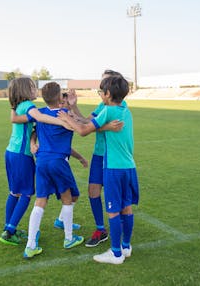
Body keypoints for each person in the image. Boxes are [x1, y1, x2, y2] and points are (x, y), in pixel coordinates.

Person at [59, 75, 138, 265]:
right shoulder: (124, 110)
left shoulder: (108, 110)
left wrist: (66, 117)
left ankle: (116, 254)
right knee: (126, 207)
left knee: (113, 210)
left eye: (101, 92)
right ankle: (126, 247)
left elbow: (84, 130)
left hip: (113, 168)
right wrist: (105, 126)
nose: (100, 95)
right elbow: (92, 123)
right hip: (129, 167)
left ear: (108, 94)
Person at [0, 77, 70, 246]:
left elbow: (18, 118)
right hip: (21, 156)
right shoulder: (29, 107)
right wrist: (62, 122)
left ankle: (9, 228)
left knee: (14, 192)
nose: (35, 90)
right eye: (32, 87)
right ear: (25, 90)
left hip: (10, 152)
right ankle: (9, 231)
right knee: (26, 193)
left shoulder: (18, 106)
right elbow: (40, 117)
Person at [23, 82, 85, 258]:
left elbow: (34, 129)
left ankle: (31, 245)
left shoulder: (40, 112)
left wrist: (32, 141)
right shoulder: (65, 115)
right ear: (59, 98)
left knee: (40, 201)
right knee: (67, 198)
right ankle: (68, 238)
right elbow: (85, 124)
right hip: (58, 162)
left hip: (41, 161)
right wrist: (73, 106)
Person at [65, 70, 125, 248]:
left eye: (104, 84)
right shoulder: (102, 106)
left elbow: (87, 128)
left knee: (116, 195)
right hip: (99, 154)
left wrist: (101, 126)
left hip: (113, 156)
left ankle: (121, 226)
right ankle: (101, 230)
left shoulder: (119, 105)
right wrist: (74, 106)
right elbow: (86, 121)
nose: (101, 88)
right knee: (93, 191)